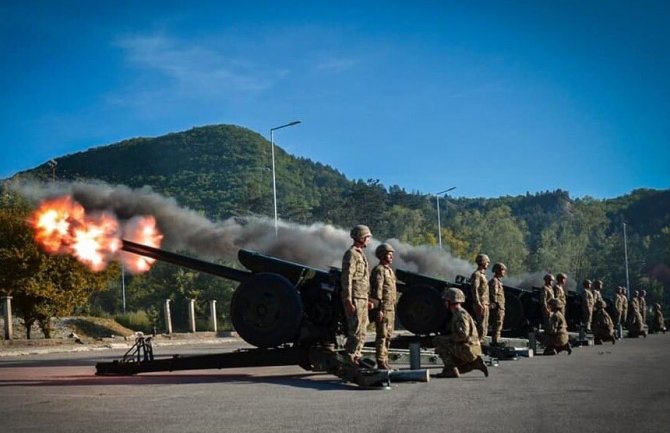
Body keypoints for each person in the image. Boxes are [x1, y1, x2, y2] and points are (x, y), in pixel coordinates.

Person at [433, 287, 488, 378]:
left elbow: (463, 335)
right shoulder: (459, 313)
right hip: (470, 347)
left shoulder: (460, 315)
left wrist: (449, 338)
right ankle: (473, 364)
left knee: (438, 341)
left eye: (446, 300)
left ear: (451, 301)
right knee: (444, 340)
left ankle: (451, 370)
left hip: (468, 349)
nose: (444, 302)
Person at [341, 224, 372, 365]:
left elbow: (363, 279)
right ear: (361, 237)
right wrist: (348, 300)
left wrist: (368, 298)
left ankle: (357, 356)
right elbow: (347, 278)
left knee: (363, 330)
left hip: (362, 297)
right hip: (355, 297)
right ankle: (350, 357)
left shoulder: (360, 254)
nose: (369, 240)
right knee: (356, 330)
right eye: (367, 237)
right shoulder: (351, 254)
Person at [370, 242, 397, 370]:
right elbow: (377, 291)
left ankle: (385, 360)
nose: (391, 257)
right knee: (382, 335)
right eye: (388, 254)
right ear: (381, 255)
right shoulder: (379, 270)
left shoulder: (390, 271)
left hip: (390, 308)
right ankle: (381, 361)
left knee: (388, 336)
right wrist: (378, 310)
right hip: (383, 308)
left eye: (392, 254)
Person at [470, 253, 491, 343]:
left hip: (485, 304)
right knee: (481, 325)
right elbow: (474, 289)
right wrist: (478, 303)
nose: (488, 263)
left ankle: (480, 341)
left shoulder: (483, 275)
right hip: (481, 304)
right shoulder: (477, 275)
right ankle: (477, 343)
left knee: (485, 325)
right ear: (482, 262)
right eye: (487, 262)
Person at [488, 262, 507, 346]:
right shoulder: (495, 281)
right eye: (502, 270)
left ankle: (496, 339)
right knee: (497, 323)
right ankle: (495, 341)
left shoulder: (498, 281)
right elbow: (493, 293)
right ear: (498, 271)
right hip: (498, 307)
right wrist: (495, 303)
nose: (504, 272)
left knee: (499, 323)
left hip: (500, 306)